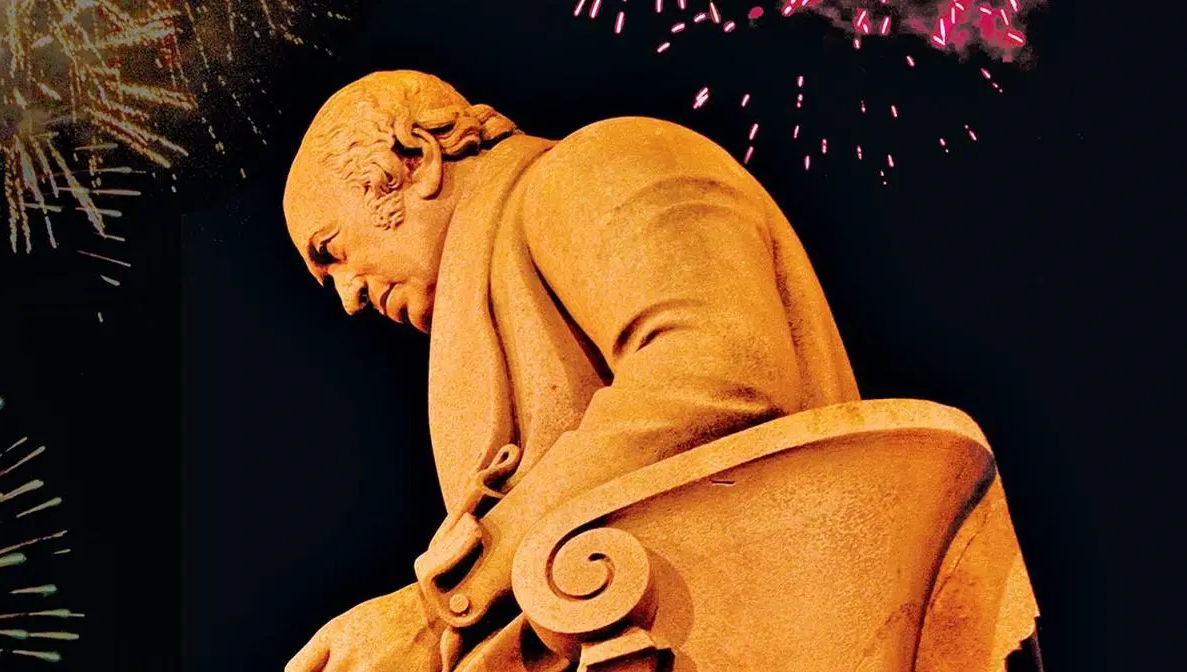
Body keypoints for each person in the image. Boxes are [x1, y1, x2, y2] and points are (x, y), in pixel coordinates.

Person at [278, 70, 1035, 671]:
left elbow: (715, 369)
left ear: (413, 159)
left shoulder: (595, 164)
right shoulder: (498, 277)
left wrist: (439, 608)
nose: (347, 297)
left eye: (331, 251)